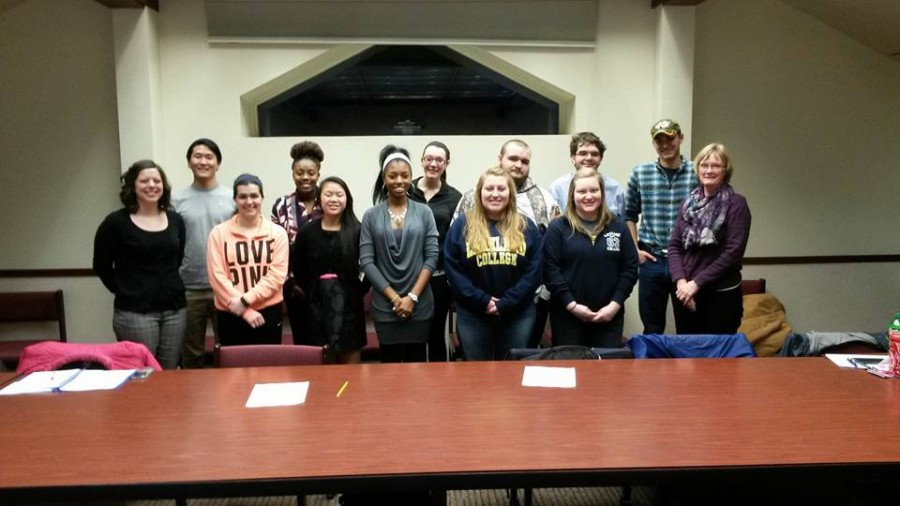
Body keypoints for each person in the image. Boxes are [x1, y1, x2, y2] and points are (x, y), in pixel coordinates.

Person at [453, 139, 559, 348]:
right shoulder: (469, 200)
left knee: (516, 366)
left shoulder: (545, 199)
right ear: (500, 158)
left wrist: (519, 298)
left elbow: (547, 256)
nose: (518, 165)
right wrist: (481, 300)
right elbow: (454, 258)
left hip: (526, 304)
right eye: (513, 158)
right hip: (474, 308)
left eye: (525, 161)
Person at [93, 160, 186, 369]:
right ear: (133, 186)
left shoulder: (175, 220)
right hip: (135, 313)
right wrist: (125, 289)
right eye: (144, 181)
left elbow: (177, 259)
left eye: (157, 180)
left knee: (169, 373)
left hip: (175, 309)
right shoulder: (116, 222)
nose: (151, 185)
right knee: (143, 374)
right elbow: (101, 265)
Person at [444, 166, 543, 361]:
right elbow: (453, 269)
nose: (495, 194)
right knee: (476, 373)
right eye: (489, 189)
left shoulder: (526, 226)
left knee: (512, 372)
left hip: (518, 314)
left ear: (510, 193)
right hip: (473, 314)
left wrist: (507, 302)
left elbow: (535, 270)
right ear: (479, 192)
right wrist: (483, 300)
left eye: (501, 189)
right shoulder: (462, 225)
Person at [360, 145, 439, 363]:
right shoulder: (371, 216)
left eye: (405, 175)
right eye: (392, 176)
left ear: (411, 178)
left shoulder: (424, 212)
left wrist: (411, 297)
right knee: (389, 366)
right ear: (384, 178)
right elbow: (367, 262)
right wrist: (395, 298)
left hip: (420, 303)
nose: (399, 181)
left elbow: (431, 257)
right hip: (385, 307)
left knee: (417, 366)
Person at [543, 168, 639, 348]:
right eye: (582, 191)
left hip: (609, 316)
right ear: (572, 195)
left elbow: (630, 269)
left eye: (594, 190)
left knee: (606, 374)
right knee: (571, 370)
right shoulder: (558, 227)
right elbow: (550, 271)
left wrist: (614, 305)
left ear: (602, 193)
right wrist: (572, 306)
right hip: (567, 316)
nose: (588, 196)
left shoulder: (617, 226)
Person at [623, 119, 698, 334]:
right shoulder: (640, 173)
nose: (665, 145)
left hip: (686, 261)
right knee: (652, 327)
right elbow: (629, 214)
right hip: (652, 260)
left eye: (670, 138)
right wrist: (635, 250)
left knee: (689, 327)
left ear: (680, 138)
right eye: (659, 140)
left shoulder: (696, 172)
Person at [668, 143, 751, 334]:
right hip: (686, 294)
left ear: (725, 170)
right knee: (687, 357)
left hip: (720, 295)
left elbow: (733, 254)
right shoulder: (688, 203)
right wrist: (681, 282)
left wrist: (696, 284)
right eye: (704, 165)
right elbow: (674, 245)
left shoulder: (737, 204)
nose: (709, 170)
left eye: (716, 166)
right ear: (697, 169)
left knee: (717, 360)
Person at [172, 138, 234, 369]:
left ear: (218, 163)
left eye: (209, 157)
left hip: (227, 287)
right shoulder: (176, 200)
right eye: (197, 156)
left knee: (227, 350)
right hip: (188, 286)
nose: (203, 161)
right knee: (191, 352)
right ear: (189, 162)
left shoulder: (232, 198)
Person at [207, 174, 288, 346]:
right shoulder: (218, 233)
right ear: (235, 199)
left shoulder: (278, 233)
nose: (249, 201)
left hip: (268, 312)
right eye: (242, 196)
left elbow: (276, 276)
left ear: (262, 197)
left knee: (268, 370)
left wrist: (245, 301)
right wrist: (244, 311)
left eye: (254, 196)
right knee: (232, 371)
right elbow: (217, 277)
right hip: (231, 312)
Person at [293, 177, 367, 364]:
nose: (334, 199)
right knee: (322, 373)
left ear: (347, 199)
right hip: (316, 309)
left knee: (350, 376)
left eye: (339, 195)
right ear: (319, 199)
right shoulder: (307, 232)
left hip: (349, 309)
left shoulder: (358, 230)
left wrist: (357, 291)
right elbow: (299, 269)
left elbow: (371, 266)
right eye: (328, 194)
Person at [407, 141, 462, 362]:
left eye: (439, 160)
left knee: (436, 332)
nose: (433, 163)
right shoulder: (406, 191)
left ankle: (438, 388)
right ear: (421, 161)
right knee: (413, 334)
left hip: (439, 277)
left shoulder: (454, 197)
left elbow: (458, 240)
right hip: (408, 275)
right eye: (429, 158)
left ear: (446, 164)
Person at [271, 140, 324, 345]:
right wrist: (290, 282)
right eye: (299, 172)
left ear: (318, 173)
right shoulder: (281, 205)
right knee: (303, 343)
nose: (305, 177)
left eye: (311, 172)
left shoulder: (329, 200)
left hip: (327, 287)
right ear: (292, 173)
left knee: (329, 343)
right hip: (294, 287)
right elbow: (274, 249)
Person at [549, 132, 626, 217]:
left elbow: (622, 224)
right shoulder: (558, 187)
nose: (589, 158)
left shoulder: (615, 189)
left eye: (594, 154)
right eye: (583, 153)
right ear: (573, 158)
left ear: (601, 159)